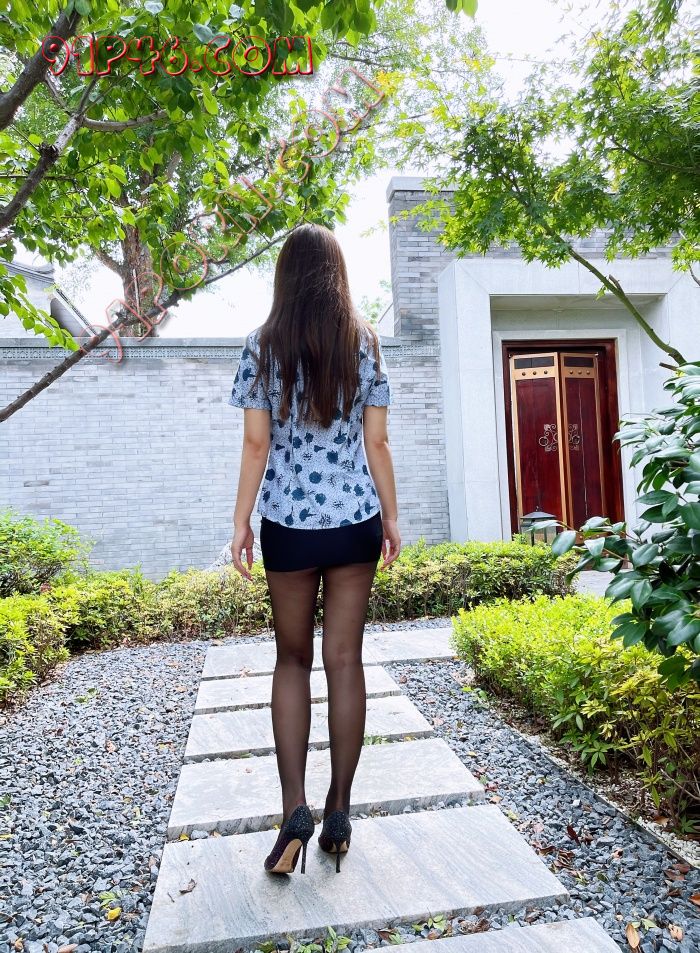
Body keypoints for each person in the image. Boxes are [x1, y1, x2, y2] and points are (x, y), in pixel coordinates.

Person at [227, 222, 401, 875]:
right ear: (337, 274)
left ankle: (293, 809)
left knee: (292, 660)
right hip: (355, 521)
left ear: (285, 276)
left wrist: (241, 522)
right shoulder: (366, 344)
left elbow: (256, 445)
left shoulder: (261, 345)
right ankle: (339, 811)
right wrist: (392, 517)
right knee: (345, 660)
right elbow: (377, 442)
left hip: (289, 526)